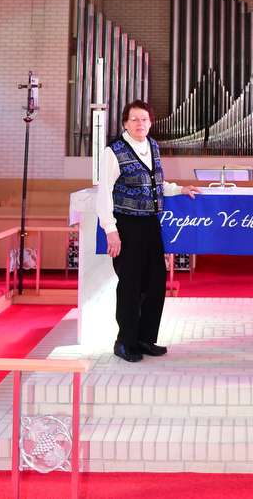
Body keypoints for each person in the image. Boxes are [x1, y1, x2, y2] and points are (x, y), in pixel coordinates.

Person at [96, 99, 201, 363]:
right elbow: (104, 193)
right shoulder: (114, 150)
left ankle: (145, 339)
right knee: (130, 284)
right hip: (126, 224)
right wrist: (111, 230)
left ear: (151, 123)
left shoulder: (152, 146)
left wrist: (179, 189)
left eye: (144, 119)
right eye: (134, 119)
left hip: (151, 223)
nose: (139, 124)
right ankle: (125, 342)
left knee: (155, 283)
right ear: (124, 122)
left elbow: (156, 182)